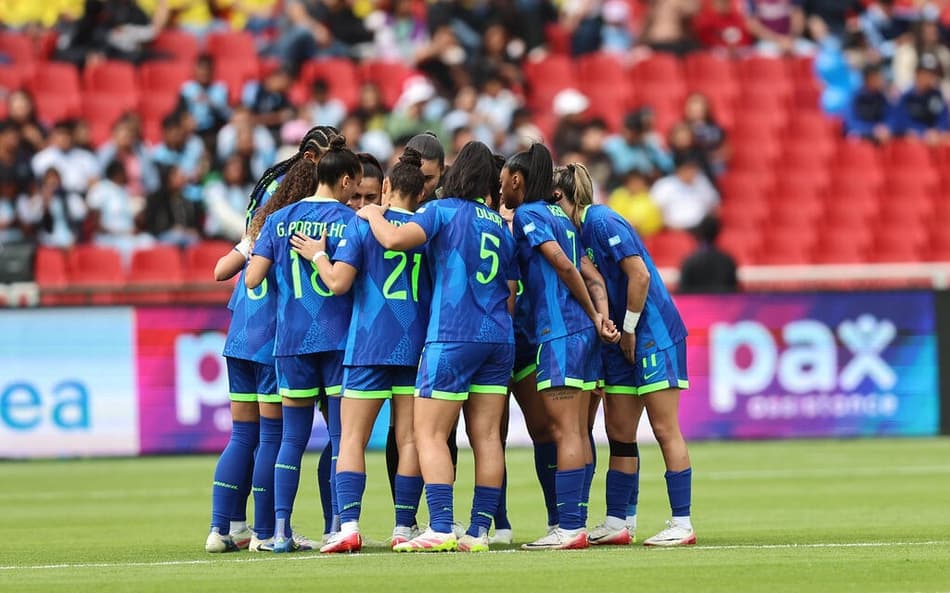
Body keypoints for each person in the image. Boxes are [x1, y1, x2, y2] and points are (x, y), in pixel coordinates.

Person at [355, 140, 519, 553]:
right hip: (499, 337)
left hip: (453, 333)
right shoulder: (501, 227)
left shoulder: (441, 211)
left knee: (427, 433)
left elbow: (394, 240)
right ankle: (479, 530)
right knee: (487, 437)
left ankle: (442, 525)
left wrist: (373, 212)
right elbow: (511, 289)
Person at [205, 125, 339, 554]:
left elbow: (231, 265)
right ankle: (266, 532)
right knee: (272, 437)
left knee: (242, 434)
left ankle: (223, 527)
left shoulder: (265, 204)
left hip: (242, 325)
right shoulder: (301, 211)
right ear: (315, 161)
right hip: (275, 333)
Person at [290, 148, 429, 553]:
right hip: (412, 345)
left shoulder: (362, 225)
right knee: (409, 439)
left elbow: (338, 283)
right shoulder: (425, 229)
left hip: (368, 343)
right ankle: (404, 527)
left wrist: (318, 255)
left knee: (351, 438)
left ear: (385, 187)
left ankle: (349, 525)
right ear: (421, 193)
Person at [554, 162, 696, 548]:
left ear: (560, 196)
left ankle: (682, 522)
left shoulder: (602, 220)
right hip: (620, 339)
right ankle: (619, 521)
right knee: (618, 432)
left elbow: (640, 275)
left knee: (664, 429)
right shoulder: (575, 233)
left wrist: (630, 327)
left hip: (652, 334)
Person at [245, 136, 361, 554]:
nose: (355, 193)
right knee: (341, 436)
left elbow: (252, 279)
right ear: (344, 180)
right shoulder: (351, 221)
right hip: (338, 340)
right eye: (355, 185)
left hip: (291, 340)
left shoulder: (279, 219)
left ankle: (280, 531)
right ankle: (337, 526)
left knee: (291, 440)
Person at [501, 144, 618, 551]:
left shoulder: (529, 215)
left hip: (560, 333)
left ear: (517, 180)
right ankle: (575, 521)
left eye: (504, 182)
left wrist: (592, 314)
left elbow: (565, 267)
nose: (501, 189)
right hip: (582, 336)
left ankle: (568, 528)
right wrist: (600, 317)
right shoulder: (563, 219)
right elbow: (594, 276)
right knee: (579, 430)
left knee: (564, 431)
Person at [86, 160, 155, 263]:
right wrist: (119, 232)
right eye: (124, 172)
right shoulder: (101, 188)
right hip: (108, 237)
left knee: (148, 241)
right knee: (126, 247)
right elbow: (95, 221)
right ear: (118, 173)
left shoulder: (124, 191)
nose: (126, 176)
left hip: (127, 236)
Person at [650, 150, 720, 231]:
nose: (691, 172)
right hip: (676, 229)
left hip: (702, 227)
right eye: (687, 168)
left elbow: (714, 203)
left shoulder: (701, 180)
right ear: (678, 169)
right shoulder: (664, 185)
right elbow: (655, 211)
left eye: (694, 168)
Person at [889, 54, 950, 143]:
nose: (928, 77)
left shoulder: (936, 95)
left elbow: (943, 119)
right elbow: (900, 123)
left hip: (934, 141)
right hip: (913, 142)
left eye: (932, 74)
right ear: (916, 73)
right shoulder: (906, 96)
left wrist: (937, 130)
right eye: (925, 73)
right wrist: (922, 132)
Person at [679, 215, 739, 293]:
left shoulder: (689, 261)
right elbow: (733, 292)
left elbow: (683, 293)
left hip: (698, 301)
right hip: (720, 301)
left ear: (700, 233)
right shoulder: (728, 261)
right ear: (717, 233)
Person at [178, 54, 231, 141]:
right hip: (191, 131)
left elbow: (227, 114)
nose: (204, 72)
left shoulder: (221, 89)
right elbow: (179, 111)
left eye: (207, 69)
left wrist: (211, 104)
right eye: (201, 69)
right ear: (195, 70)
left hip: (214, 131)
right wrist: (186, 118)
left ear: (212, 71)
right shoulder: (187, 89)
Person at [203, 155, 254, 241]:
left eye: (239, 168)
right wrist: (249, 230)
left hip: (243, 239)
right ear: (225, 170)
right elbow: (225, 216)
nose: (236, 171)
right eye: (232, 168)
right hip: (217, 238)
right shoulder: (214, 189)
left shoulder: (251, 190)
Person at [844, 64, 892, 143]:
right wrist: (871, 130)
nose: (881, 80)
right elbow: (851, 122)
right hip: (861, 137)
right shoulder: (855, 97)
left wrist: (885, 127)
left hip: (878, 137)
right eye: (878, 77)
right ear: (869, 78)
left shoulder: (881, 97)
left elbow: (889, 117)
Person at [405, 131, 445, 202]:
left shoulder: (454, 198)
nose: (420, 185)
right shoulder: (389, 196)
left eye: (427, 178)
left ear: (442, 169)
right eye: (414, 177)